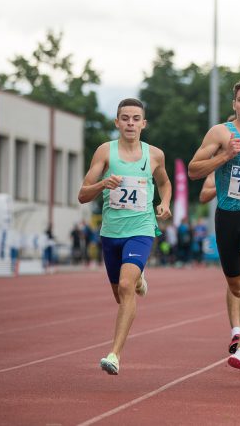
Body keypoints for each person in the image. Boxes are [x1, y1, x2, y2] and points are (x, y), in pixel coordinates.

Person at [78, 98, 172, 375]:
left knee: (125, 285)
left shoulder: (155, 155)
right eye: (125, 118)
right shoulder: (105, 152)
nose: (130, 123)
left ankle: (115, 354)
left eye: (135, 118)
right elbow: (83, 194)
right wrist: (102, 184)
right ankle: (139, 279)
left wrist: (165, 203)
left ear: (144, 123)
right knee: (121, 294)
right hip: (111, 233)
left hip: (142, 229)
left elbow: (165, 183)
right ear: (117, 122)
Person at [188, 79, 240, 370]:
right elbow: (193, 170)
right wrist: (225, 156)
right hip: (227, 216)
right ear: (234, 104)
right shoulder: (221, 133)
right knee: (235, 286)